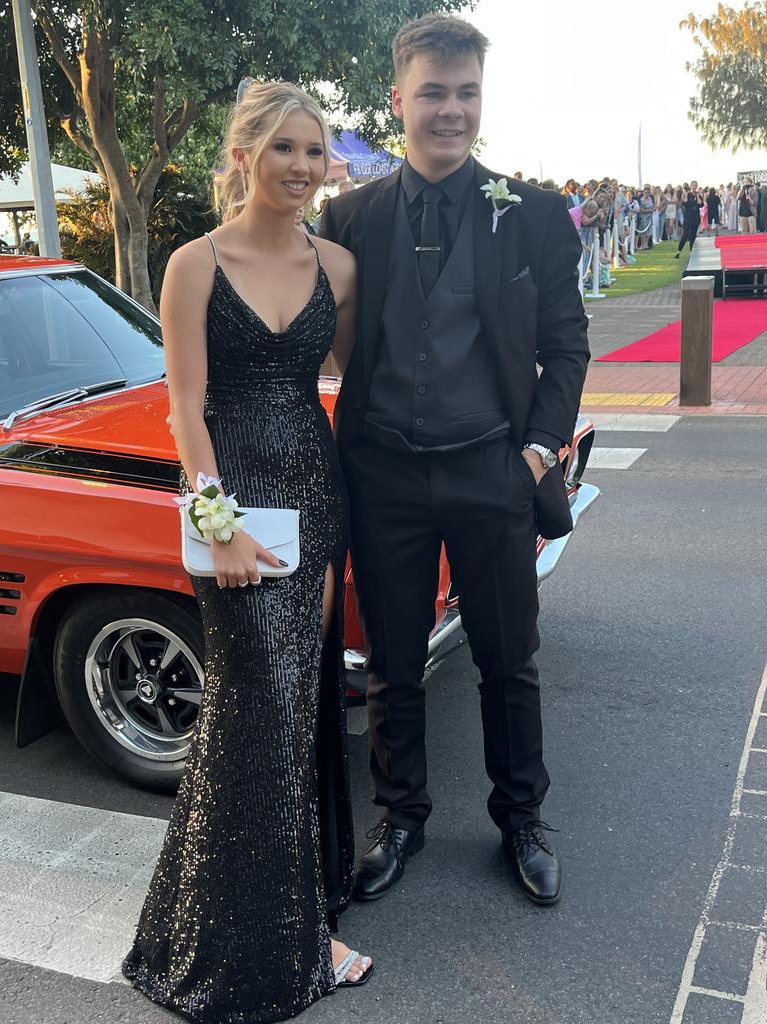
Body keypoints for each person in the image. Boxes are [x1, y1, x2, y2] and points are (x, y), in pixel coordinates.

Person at [321, 14, 589, 907]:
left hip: (492, 469)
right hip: (385, 472)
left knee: (509, 659)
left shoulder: (537, 215)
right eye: (432, 92)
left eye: (466, 92)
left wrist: (535, 457)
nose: (451, 111)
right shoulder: (347, 217)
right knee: (394, 661)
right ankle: (400, 816)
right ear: (397, 99)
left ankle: (522, 818)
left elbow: (567, 348)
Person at [122, 81, 373, 1023]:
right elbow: (185, 410)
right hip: (235, 503)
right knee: (248, 710)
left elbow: (357, 377)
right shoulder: (194, 263)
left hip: (316, 489)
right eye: (283, 150)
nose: (303, 167)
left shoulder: (340, 267)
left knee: (299, 706)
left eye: (314, 151)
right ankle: (236, 934)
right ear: (243, 156)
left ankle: (299, 914)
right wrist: (215, 522)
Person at [674, 191, 701, 257]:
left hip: (695, 219)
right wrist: (686, 194)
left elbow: (700, 204)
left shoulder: (698, 197)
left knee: (693, 235)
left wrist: (697, 196)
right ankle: (678, 251)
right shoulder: (687, 197)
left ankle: (691, 251)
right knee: (685, 235)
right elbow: (685, 203)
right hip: (687, 219)